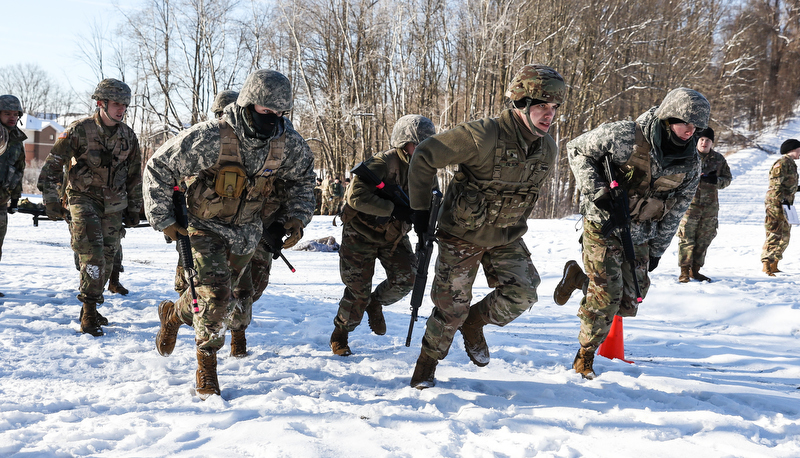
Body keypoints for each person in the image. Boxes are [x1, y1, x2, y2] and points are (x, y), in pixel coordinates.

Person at [145, 69, 315, 399]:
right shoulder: (211, 136)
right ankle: (206, 367)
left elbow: (303, 181)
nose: (274, 120)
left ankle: (172, 315)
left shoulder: (286, 144)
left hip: (248, 230)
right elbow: (158, 167)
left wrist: (295, 218)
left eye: (281, 114)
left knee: (230, 298)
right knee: (215, 295)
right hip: (204, 226)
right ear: (249, 104)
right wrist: (163, 218)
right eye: (267, 112)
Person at [406, 64, 566, 389]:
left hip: (504, 234)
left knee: (523, 293)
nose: (549, 115)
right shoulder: (483, 135)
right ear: (521, 103)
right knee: (451, 309)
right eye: (541, 106)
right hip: (462, 234)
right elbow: (424, 155)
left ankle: (475, 323)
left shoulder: (546, 148)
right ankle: (427, 365)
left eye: (554, 108)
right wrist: (421, 214)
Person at [561, 87, 709, 380]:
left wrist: (657, 251)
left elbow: (676, 210)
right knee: (606, 297)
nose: (690, 130)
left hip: (641, 233)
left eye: (696, 126)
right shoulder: (626, 135)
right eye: (684, 122)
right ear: (668, 118)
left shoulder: (691, 164)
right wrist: (597, 192)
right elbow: (576, 149)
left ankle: (581, 279)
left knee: (630, 300)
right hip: (603, 224)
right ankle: (584, 357)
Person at [37, 79, 143, 336]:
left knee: (107, 259)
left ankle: (92, 306)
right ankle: (88, 312)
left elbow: (134, 176)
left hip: (114, 204)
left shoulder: (128, 136)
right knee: (92, 254)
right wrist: (51, 200)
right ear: (101, 103)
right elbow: (51, 167)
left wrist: (134, 209)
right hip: (82, 198)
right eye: (116, 104)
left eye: (125, 105)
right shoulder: (79, 131)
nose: (121, 110)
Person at [329, 114, 436, 356]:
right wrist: (392, 208)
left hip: (394, 235)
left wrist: (424, 222)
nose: (422, 149)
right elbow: (354, 197)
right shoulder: (382, 163)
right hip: (361, 234)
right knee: (358, 291)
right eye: (417, 143)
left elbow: (433, 200)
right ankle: (341, 334)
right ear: (403, 143)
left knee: (407, 278)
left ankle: (375, 304)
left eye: (427, 144)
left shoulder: (427, 169)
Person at [173, 90, 241, 296]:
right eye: (221, 113)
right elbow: (176, 172)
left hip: (228, 216)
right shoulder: (204, 138)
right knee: (187, 256)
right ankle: (182, 291)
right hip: (196, 211)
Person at [676, 127, 732, 282]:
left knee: (704, 239)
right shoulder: (687, 157)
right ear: (696, 141)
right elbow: (674, 177)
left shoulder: (719, 159)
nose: (704, 143)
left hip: (710, 207)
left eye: (708, 140)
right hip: (689, 206)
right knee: (687, 238)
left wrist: (716, 181)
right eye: (701, 140)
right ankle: (684, 271)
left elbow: (727, 179)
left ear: (712, 143)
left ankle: (696, 270)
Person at [0, 95, 27, 297]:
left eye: (15, 114)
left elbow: (19, 169)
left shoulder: (17, 138)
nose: (12, 117)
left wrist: (15, 199)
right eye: (7, 113)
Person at [761, 138, 800, 276]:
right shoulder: (782, 163)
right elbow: (775, 185)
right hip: (776, 204)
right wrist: (781, 200)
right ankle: (766, 264)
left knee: (785, 234)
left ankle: (774, 263)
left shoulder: (791, 164)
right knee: (775, 233)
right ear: (794, 149)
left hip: (786, 204)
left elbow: (788, 185)